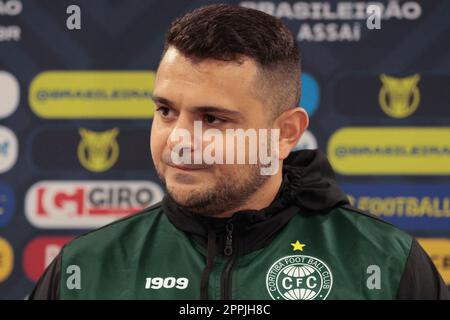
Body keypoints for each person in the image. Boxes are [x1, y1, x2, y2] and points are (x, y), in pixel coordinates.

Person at [30, 4, 447, 300]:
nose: (179, 140)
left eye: (212, 118)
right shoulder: (83, 270)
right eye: (166, 111)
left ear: (286, 133)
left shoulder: (386, 264)